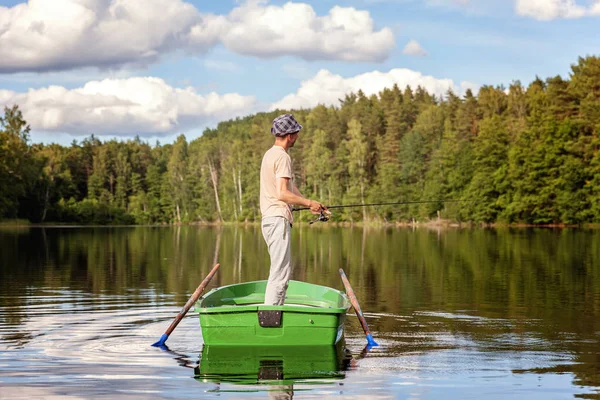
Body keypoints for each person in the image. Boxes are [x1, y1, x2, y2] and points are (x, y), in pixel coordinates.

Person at [259, 113, 329, 305]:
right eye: (296, 132)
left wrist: (310, 202)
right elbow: (282, 194)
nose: (298, 136)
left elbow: (289, 189)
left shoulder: (269, 154)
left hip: (270, 219)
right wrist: (308, 203)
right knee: (280, 272)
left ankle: (273, 313)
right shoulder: (282, 157)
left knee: (279, 270)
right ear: (290, 135)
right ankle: (271, 317)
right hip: (277, 218)